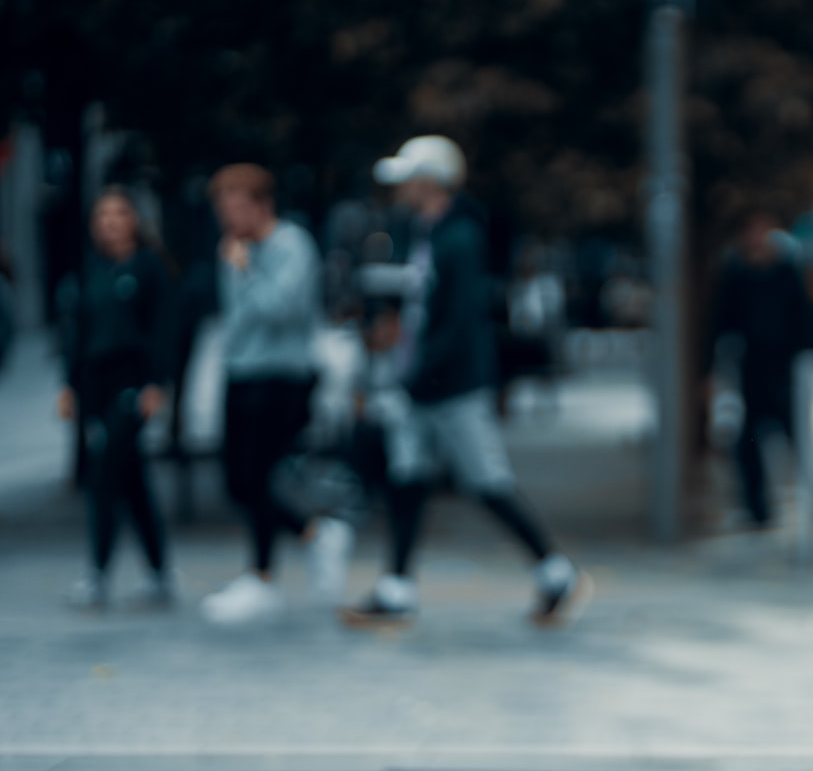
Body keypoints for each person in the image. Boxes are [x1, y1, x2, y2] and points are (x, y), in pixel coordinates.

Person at [341, 136, 586, 627]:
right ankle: (396, 588)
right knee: (407, 481)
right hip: (420, 385)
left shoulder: (460, 238)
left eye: (409, 178)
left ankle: (554, 571)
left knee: (486, 482)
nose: (402, 189)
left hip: (451, 387)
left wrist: (414, 376)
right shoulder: (423, 233)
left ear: (431, 180)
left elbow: (457, 321)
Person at [201, 163, 353, 625]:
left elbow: (279, 310)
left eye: (237, 207)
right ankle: (313, 534)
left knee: (261, 476)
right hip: (241, 371)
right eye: (222, 210)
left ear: (262, 205)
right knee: (236, 480)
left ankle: (263, 575)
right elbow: (236, 318)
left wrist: (245, 270)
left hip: (282, 376)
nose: (229, 219)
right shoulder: (234, 248)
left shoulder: (291, 245)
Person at [58, 188, 176, 608]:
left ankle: (98, 573)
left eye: (119, 213)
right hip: (96, 384)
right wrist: (69, 385)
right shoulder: (92, 271)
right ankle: (160, 571)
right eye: (102, 214)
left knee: (105, 473)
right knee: (132, 481)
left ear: (133, 220)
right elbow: (77, 333)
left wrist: (157, 382)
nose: (110, 222)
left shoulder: (148, 268)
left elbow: (163, 327)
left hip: (132, 383)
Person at [709, 212, 809, 527]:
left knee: (797, 434)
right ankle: (758, 508)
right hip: (751, 367)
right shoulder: (736, 275)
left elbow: (804, 317)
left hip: (784, 368)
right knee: (748, 441)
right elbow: (720, 322)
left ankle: (809, 498)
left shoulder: (787, 272)